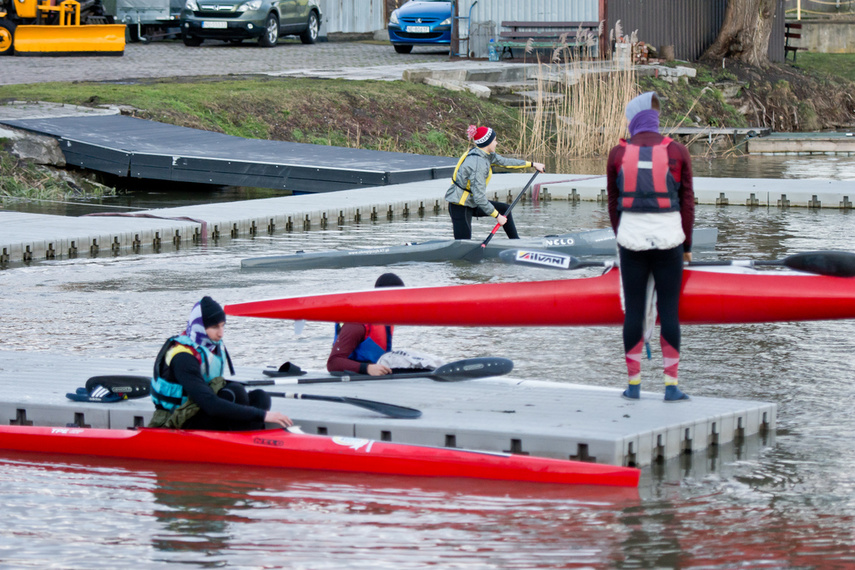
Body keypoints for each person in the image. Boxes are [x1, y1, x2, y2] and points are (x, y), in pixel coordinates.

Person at [606, 92, 694, 402]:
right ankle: (671, 388)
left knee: (634, 310)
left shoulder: (618, 153)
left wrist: (621, 235)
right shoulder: (677, 151)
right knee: (669, 311)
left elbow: (613, 203)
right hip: (669, 237)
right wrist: (687, 245)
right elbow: (686, 202)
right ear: (654, 120)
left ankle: (634, 387)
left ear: (634, 120)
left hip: (631, 238)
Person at [149, 296, 293, 430]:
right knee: (236, 393)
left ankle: (250, 437)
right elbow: (210, 404)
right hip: (175, 419)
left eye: (223, 326)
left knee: (260, 397)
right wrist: (263, 415)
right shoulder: (183, 357)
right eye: (215, 327)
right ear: (199, 326)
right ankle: (247, 443)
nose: (221, 333)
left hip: (198, 408)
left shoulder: (209, 346)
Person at [327, 273, 442, 376]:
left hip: (377, 373)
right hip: (356, 377)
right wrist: (367, 368)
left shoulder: (385, 319)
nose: (401, 304)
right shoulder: (357, 324)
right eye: (398, 298)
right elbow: (333, 362)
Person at [445, 125, 545, 240]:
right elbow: (479, 197)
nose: (496, 143)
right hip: (460, 205)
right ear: (487, 143)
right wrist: (497, 216)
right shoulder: (478, 164)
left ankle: (516, 242)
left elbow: (505, 162)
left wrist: (532, 164)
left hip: (470, 202)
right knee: (463, 245)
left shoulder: (485, 154)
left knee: (504, 209)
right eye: (495, 140)